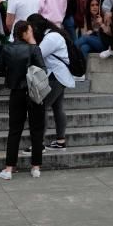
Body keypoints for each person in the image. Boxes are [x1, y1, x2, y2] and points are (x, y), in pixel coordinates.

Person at [0, 21, 46, 180]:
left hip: (16, 92)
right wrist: (33, 45)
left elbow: (0, 71)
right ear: (25, 33)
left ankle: (9, 168)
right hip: (34, 92)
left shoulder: (6, 48)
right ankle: (36, 167)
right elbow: (42, 71)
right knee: (36, 129)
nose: (32, 33)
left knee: (14, 130)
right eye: (30, 31)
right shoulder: (34, 49)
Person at [27, 13, 75, 151]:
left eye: (31, 29)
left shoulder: (51, 38)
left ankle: (38, 144)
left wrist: (30, 40)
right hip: (59, 76)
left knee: (40, 108)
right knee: (57, 107)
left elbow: (37, 54)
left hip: (56, 76)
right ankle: (60, 141)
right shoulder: (53, 35)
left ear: (36, 27)